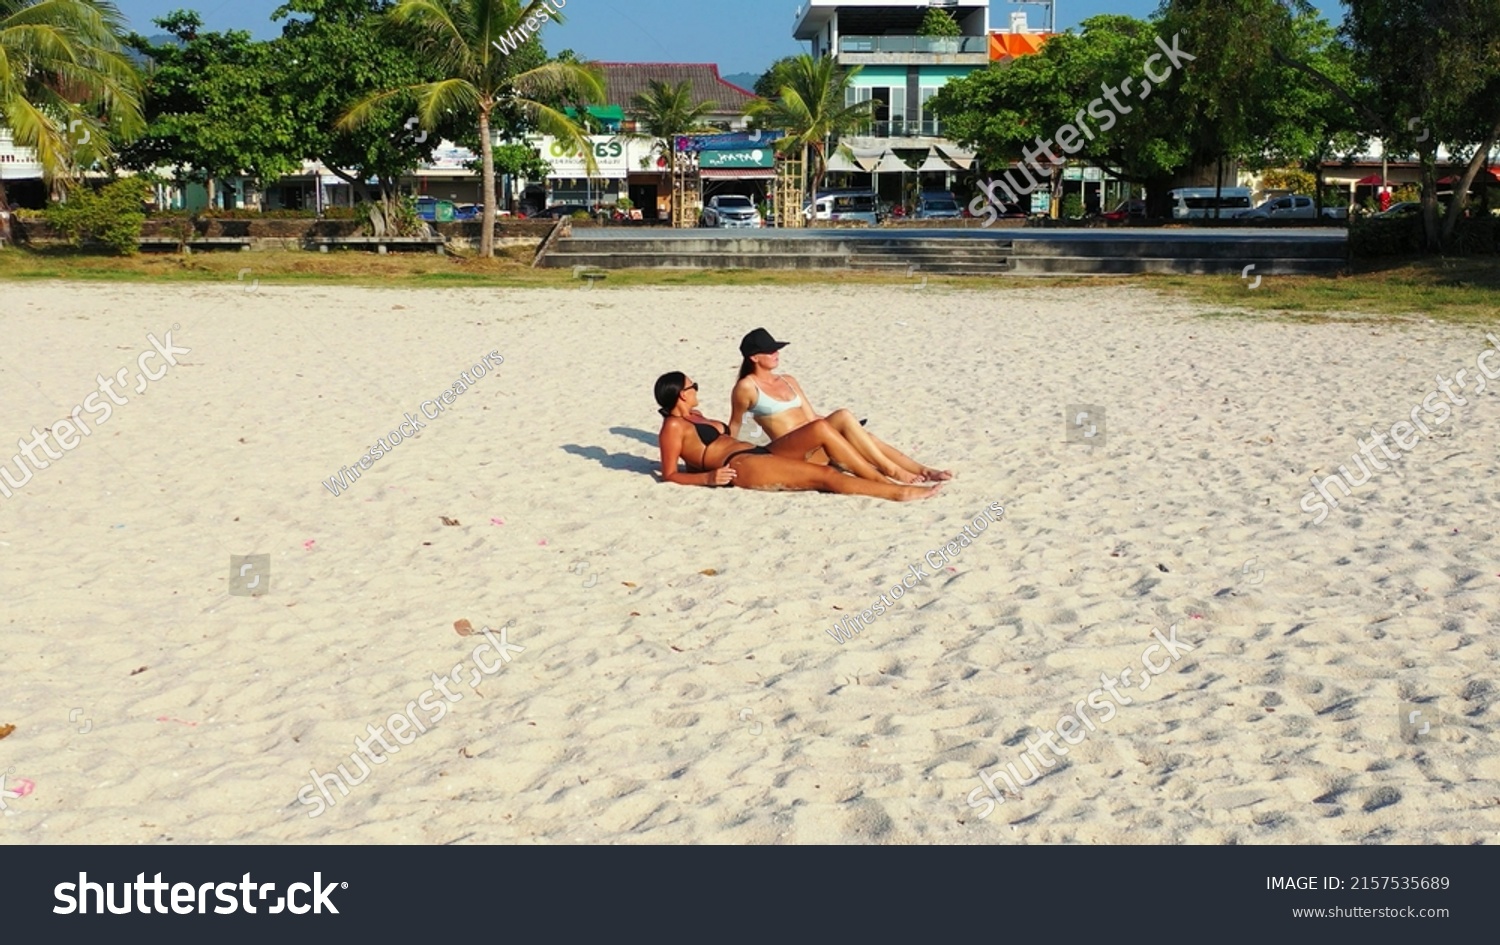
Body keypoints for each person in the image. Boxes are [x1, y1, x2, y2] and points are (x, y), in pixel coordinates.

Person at [654, 372, 940, 502]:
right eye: (693, 386)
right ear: (681, 393)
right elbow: (668, 474)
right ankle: (897, 491)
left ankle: (883, 477)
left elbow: (694, 457)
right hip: (741, 465)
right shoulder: (673, 427)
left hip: (761, 452)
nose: (696, 389)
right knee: (825, 476)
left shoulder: (697, 416)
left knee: (822, 429)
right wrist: (707, 478)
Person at [727, 328, 952, 483]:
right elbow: (735, 424)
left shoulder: (788, 380)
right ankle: (891, 470)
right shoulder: (747, 387)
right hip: (793, 453)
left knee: (863, 435)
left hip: (817, 439)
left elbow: (812, 417)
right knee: (844, 416)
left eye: (776, 349)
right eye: (770, 351)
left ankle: (925, 470)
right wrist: (727, 459)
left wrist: (847, 429)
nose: (776, 354)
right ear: (754, 358)